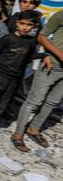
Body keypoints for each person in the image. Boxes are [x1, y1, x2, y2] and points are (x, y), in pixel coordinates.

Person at [0, 10, 52, 144]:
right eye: (22, 23)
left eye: (29, 24)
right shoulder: (7, 39)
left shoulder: (31, 43)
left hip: (14, 79)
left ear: (34, 26)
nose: (25, 27)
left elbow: (28, 57)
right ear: (17, 23)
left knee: (2, 105)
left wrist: (44, 56)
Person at [11, 10, 63, 152]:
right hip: (52, 65)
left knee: (53, 101)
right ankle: (18, 134)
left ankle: (34, 128)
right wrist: (59, 54)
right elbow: (41, 36)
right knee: (34, 101)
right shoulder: (60, 15)